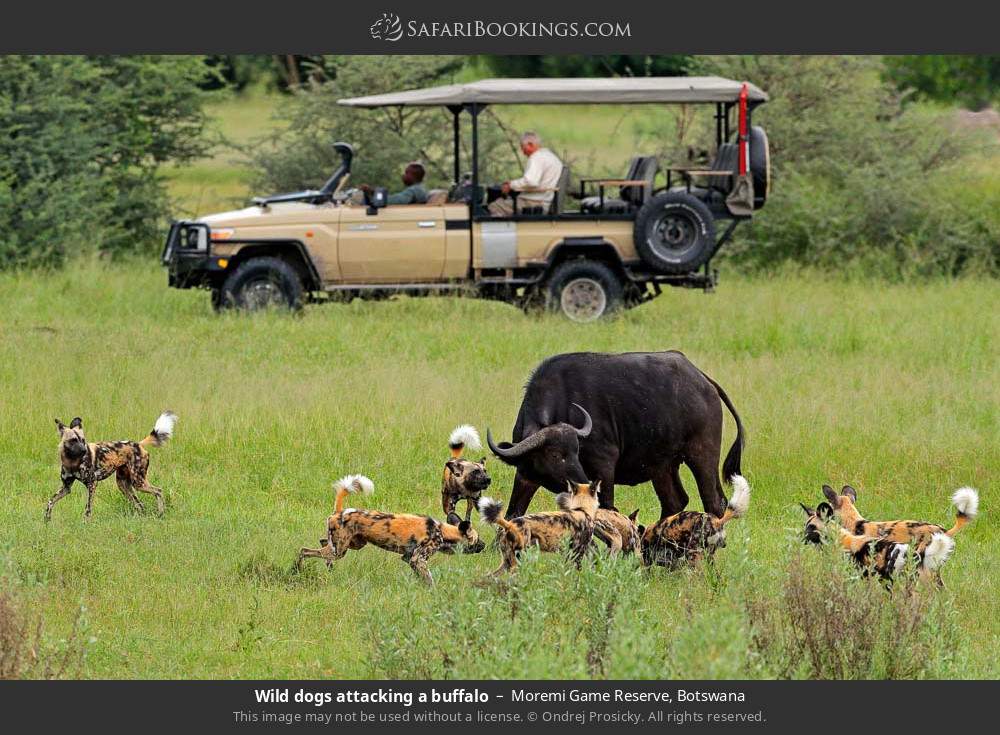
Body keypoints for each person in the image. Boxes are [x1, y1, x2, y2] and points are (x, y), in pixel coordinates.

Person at [488, 132, 563, 216]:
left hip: (533, 202)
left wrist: (510, 185)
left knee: (494, 206)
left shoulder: (536, 157)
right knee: (506, 202)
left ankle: (503, 229)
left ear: (530, 144)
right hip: (545, 200)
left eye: (523, 148)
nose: (523, 152)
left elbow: (531, 182)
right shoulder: (551, 156)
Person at [359, 162, 428, 205]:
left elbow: (396, 200)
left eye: (407, 173)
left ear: (414, 176)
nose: (403, 175)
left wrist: (373, 192)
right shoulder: (418, 189)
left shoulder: (415, 190)